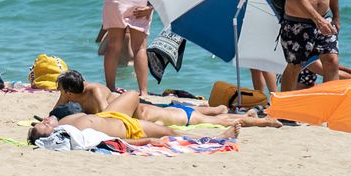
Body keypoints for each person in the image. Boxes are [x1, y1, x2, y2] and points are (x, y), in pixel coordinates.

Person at [53, 70, 280, 129]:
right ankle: (222, 110)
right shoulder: (71, 95)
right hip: (148, 113)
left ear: (71, 91)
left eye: (62, 91)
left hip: (160, 116)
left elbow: (108, 118)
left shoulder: (94, 92)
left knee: (202, 119)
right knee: (200, 116)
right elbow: (56, 110)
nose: (60, 94)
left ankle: (260, 120)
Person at [27, 110, 246, 145]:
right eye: (43, 126)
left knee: (170, 130)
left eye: (43, 121)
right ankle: (218, 138)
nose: (45, 121)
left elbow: (54, 115)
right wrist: (142, 142)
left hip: (122, 120)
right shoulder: (72, 134)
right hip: (130, 130)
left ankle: (217, 134)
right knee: (171, 133)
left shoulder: (65, 122)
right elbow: (106, 141)